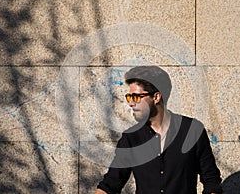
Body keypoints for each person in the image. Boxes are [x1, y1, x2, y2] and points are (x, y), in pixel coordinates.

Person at [95, 66, 222, 194]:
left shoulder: (192, 130)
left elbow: (211, 181)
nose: (131, 103)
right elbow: (110, 184)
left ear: (156, 97)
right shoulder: (131, 138)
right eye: (129, 97)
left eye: (136, 97)